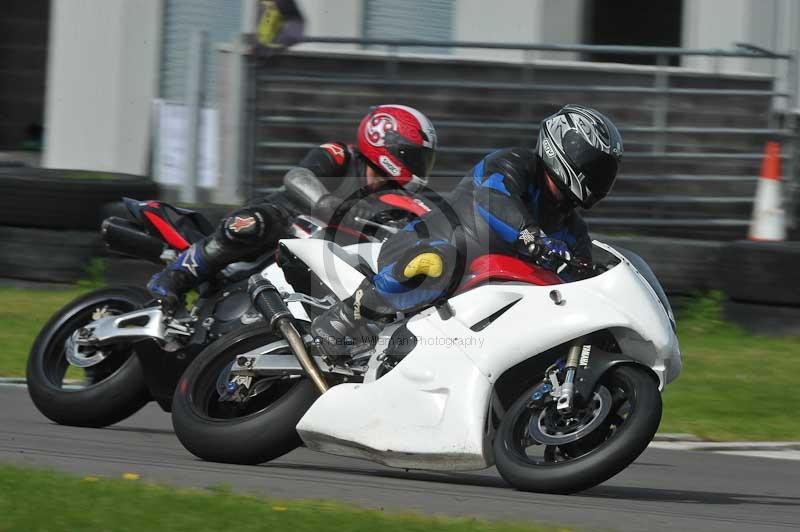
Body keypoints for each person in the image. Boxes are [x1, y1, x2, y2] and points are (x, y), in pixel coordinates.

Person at [310, 104, 623, 359]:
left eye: (606, 169)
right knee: (438, 261)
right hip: (420, 250)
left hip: (475, 299)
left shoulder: (573, 229)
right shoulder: (515, 163)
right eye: (594, 164)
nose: (600, 177)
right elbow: (495, 201)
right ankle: (345, 317)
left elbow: (578, 285)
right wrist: (534, 240)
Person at [147, 104, 438, 306]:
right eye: (412, 155)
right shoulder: (339, 154)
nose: (418, 166)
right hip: (283, 218)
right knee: (253, 224)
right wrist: (328, 203)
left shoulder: (393, 197)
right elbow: (297, 176)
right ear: (382, 139)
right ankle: (174, 276)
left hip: (324, 252)